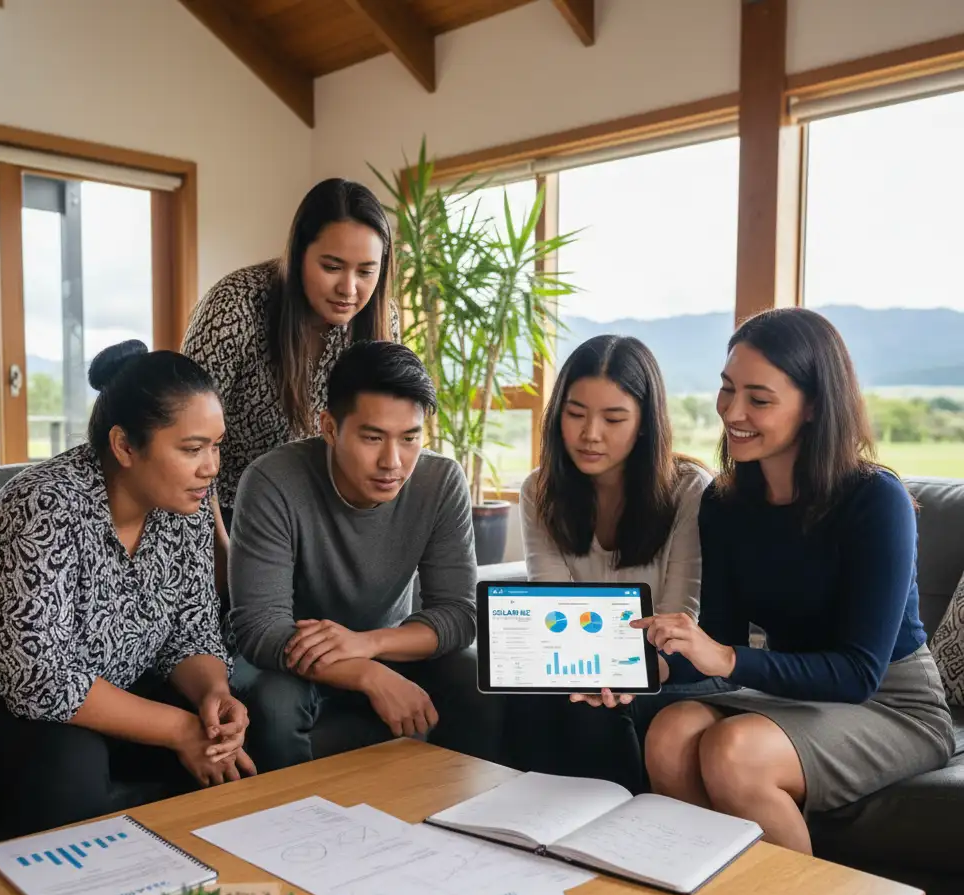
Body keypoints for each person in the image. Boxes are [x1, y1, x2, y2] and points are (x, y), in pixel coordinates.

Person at [637, 308, 955, 853]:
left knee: (734, 750)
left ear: (813, 406)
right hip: (796, 693)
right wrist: (645, 668)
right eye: (727, 389)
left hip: (891, 703)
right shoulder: (725, 503)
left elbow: (858, 673)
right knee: (670, 733)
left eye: (759, 399)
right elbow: (721, 633)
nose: (732, 412)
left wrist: (729, 659)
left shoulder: (874, 499)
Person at [0, 340, 255, 838]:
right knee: (72, 760)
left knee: (226, 734)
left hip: (105, 693)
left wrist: (213, 697)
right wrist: (178, 730)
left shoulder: (189, 503)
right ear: (125, 446)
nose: (211, 466)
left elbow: (192, 632)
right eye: (192, 449)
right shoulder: (43, 506)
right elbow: (37, 681)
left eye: (216, 446)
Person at [228, 341, 503, 771]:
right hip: (286, 660)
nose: (392, 462)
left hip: (386, 643)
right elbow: (261, 629)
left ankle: (465, 824)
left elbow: (459, 614)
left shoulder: (440, 481)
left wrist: (370, 645)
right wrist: (365, 671)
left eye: (410, 438)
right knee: (275, 704)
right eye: (372, 438)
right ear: (330, 427)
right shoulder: (272, 481)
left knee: (473, 680)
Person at [508, 336, 715, 785]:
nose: (590, 434)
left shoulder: (688, 491)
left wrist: (623, 674)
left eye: (613, 418)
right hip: (580, 662)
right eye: (575, 414)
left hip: (672, 665)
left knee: (599, 711)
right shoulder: (540, 491)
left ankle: (617, 840)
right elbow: (552, 612)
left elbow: (680, 619)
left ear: (644, 423)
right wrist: (580, 670)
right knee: (534, 698)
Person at [182, 178, 401, 586]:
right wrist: (222, 554)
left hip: (318, 519)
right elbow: (185, 440)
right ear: (300, 253)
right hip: (224, 513)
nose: (349, 289)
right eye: (331, 267)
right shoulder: (236, 305)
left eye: (366, 271)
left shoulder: (379, 319)